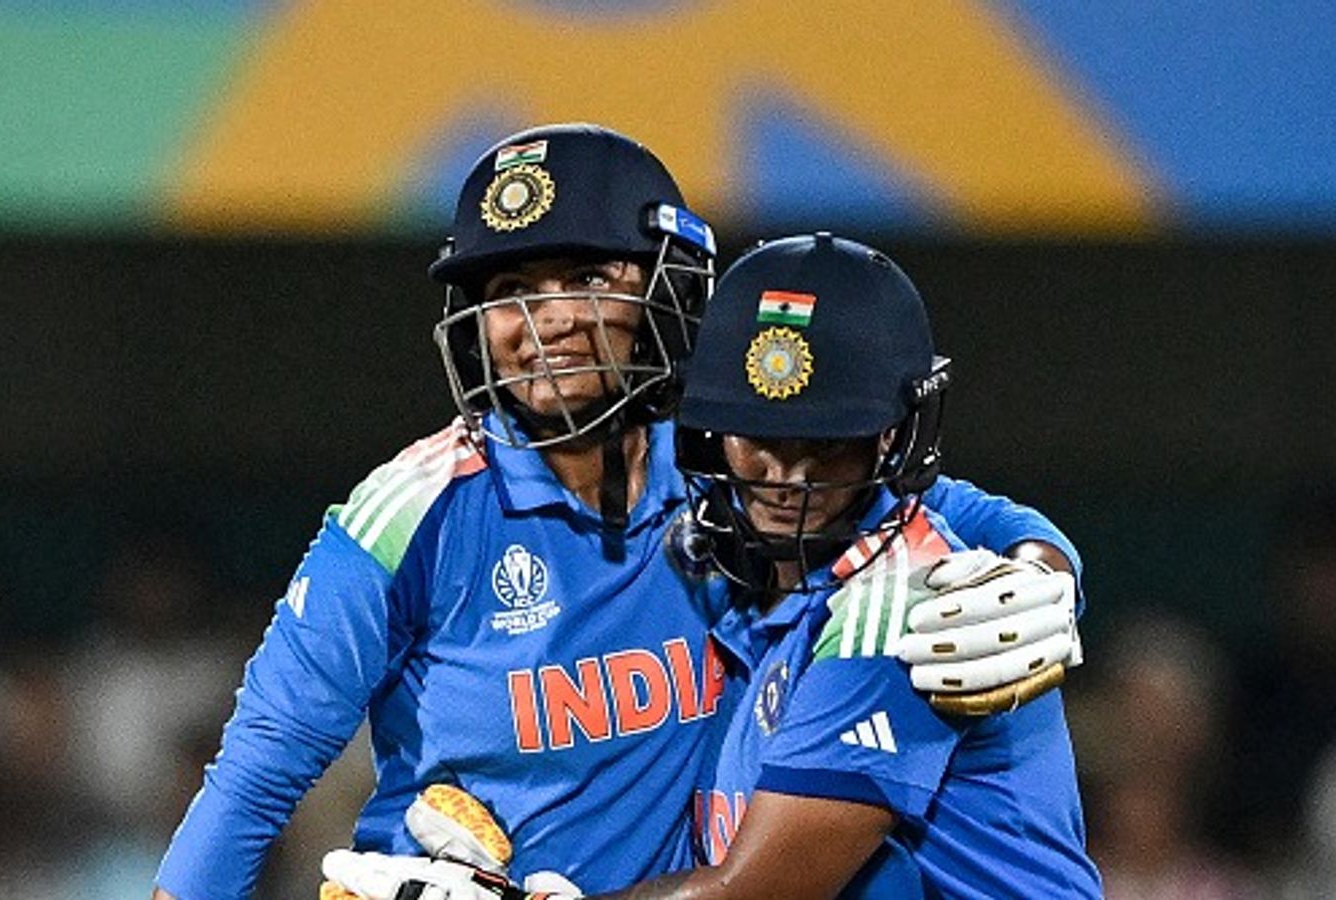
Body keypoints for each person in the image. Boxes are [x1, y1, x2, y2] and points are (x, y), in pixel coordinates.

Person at [154, 125, 1082, 899]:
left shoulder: (740, 459)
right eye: (510, 291)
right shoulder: (411, 513)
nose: (548, 320)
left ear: (665, 291)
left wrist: (1046, 574)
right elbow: (250, 783)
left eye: (587, 279)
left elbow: (934, 514)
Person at [325, 234, 1095, 899]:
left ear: (893, 439)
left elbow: (755, 892)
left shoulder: (906, 609)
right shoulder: (739, 579)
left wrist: (1043, 573)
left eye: (825, 444)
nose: (787, 480)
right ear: (709, 436)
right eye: (759, 438)